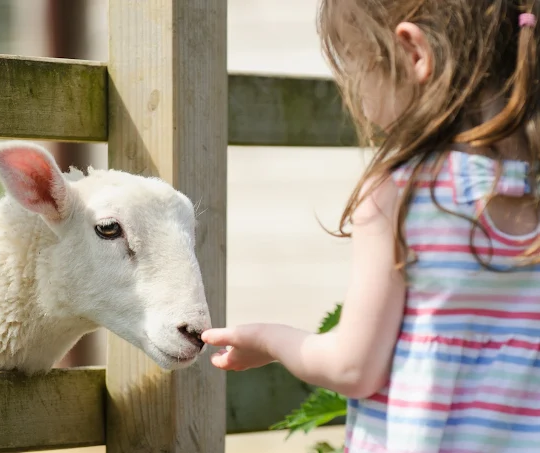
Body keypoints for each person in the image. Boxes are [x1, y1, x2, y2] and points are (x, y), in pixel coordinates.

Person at [201, 1, 540, 451]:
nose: (356, 97)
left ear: (413, 52)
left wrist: (269, 339)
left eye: (357, 70)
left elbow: (353, 368)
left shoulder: (400, 193)